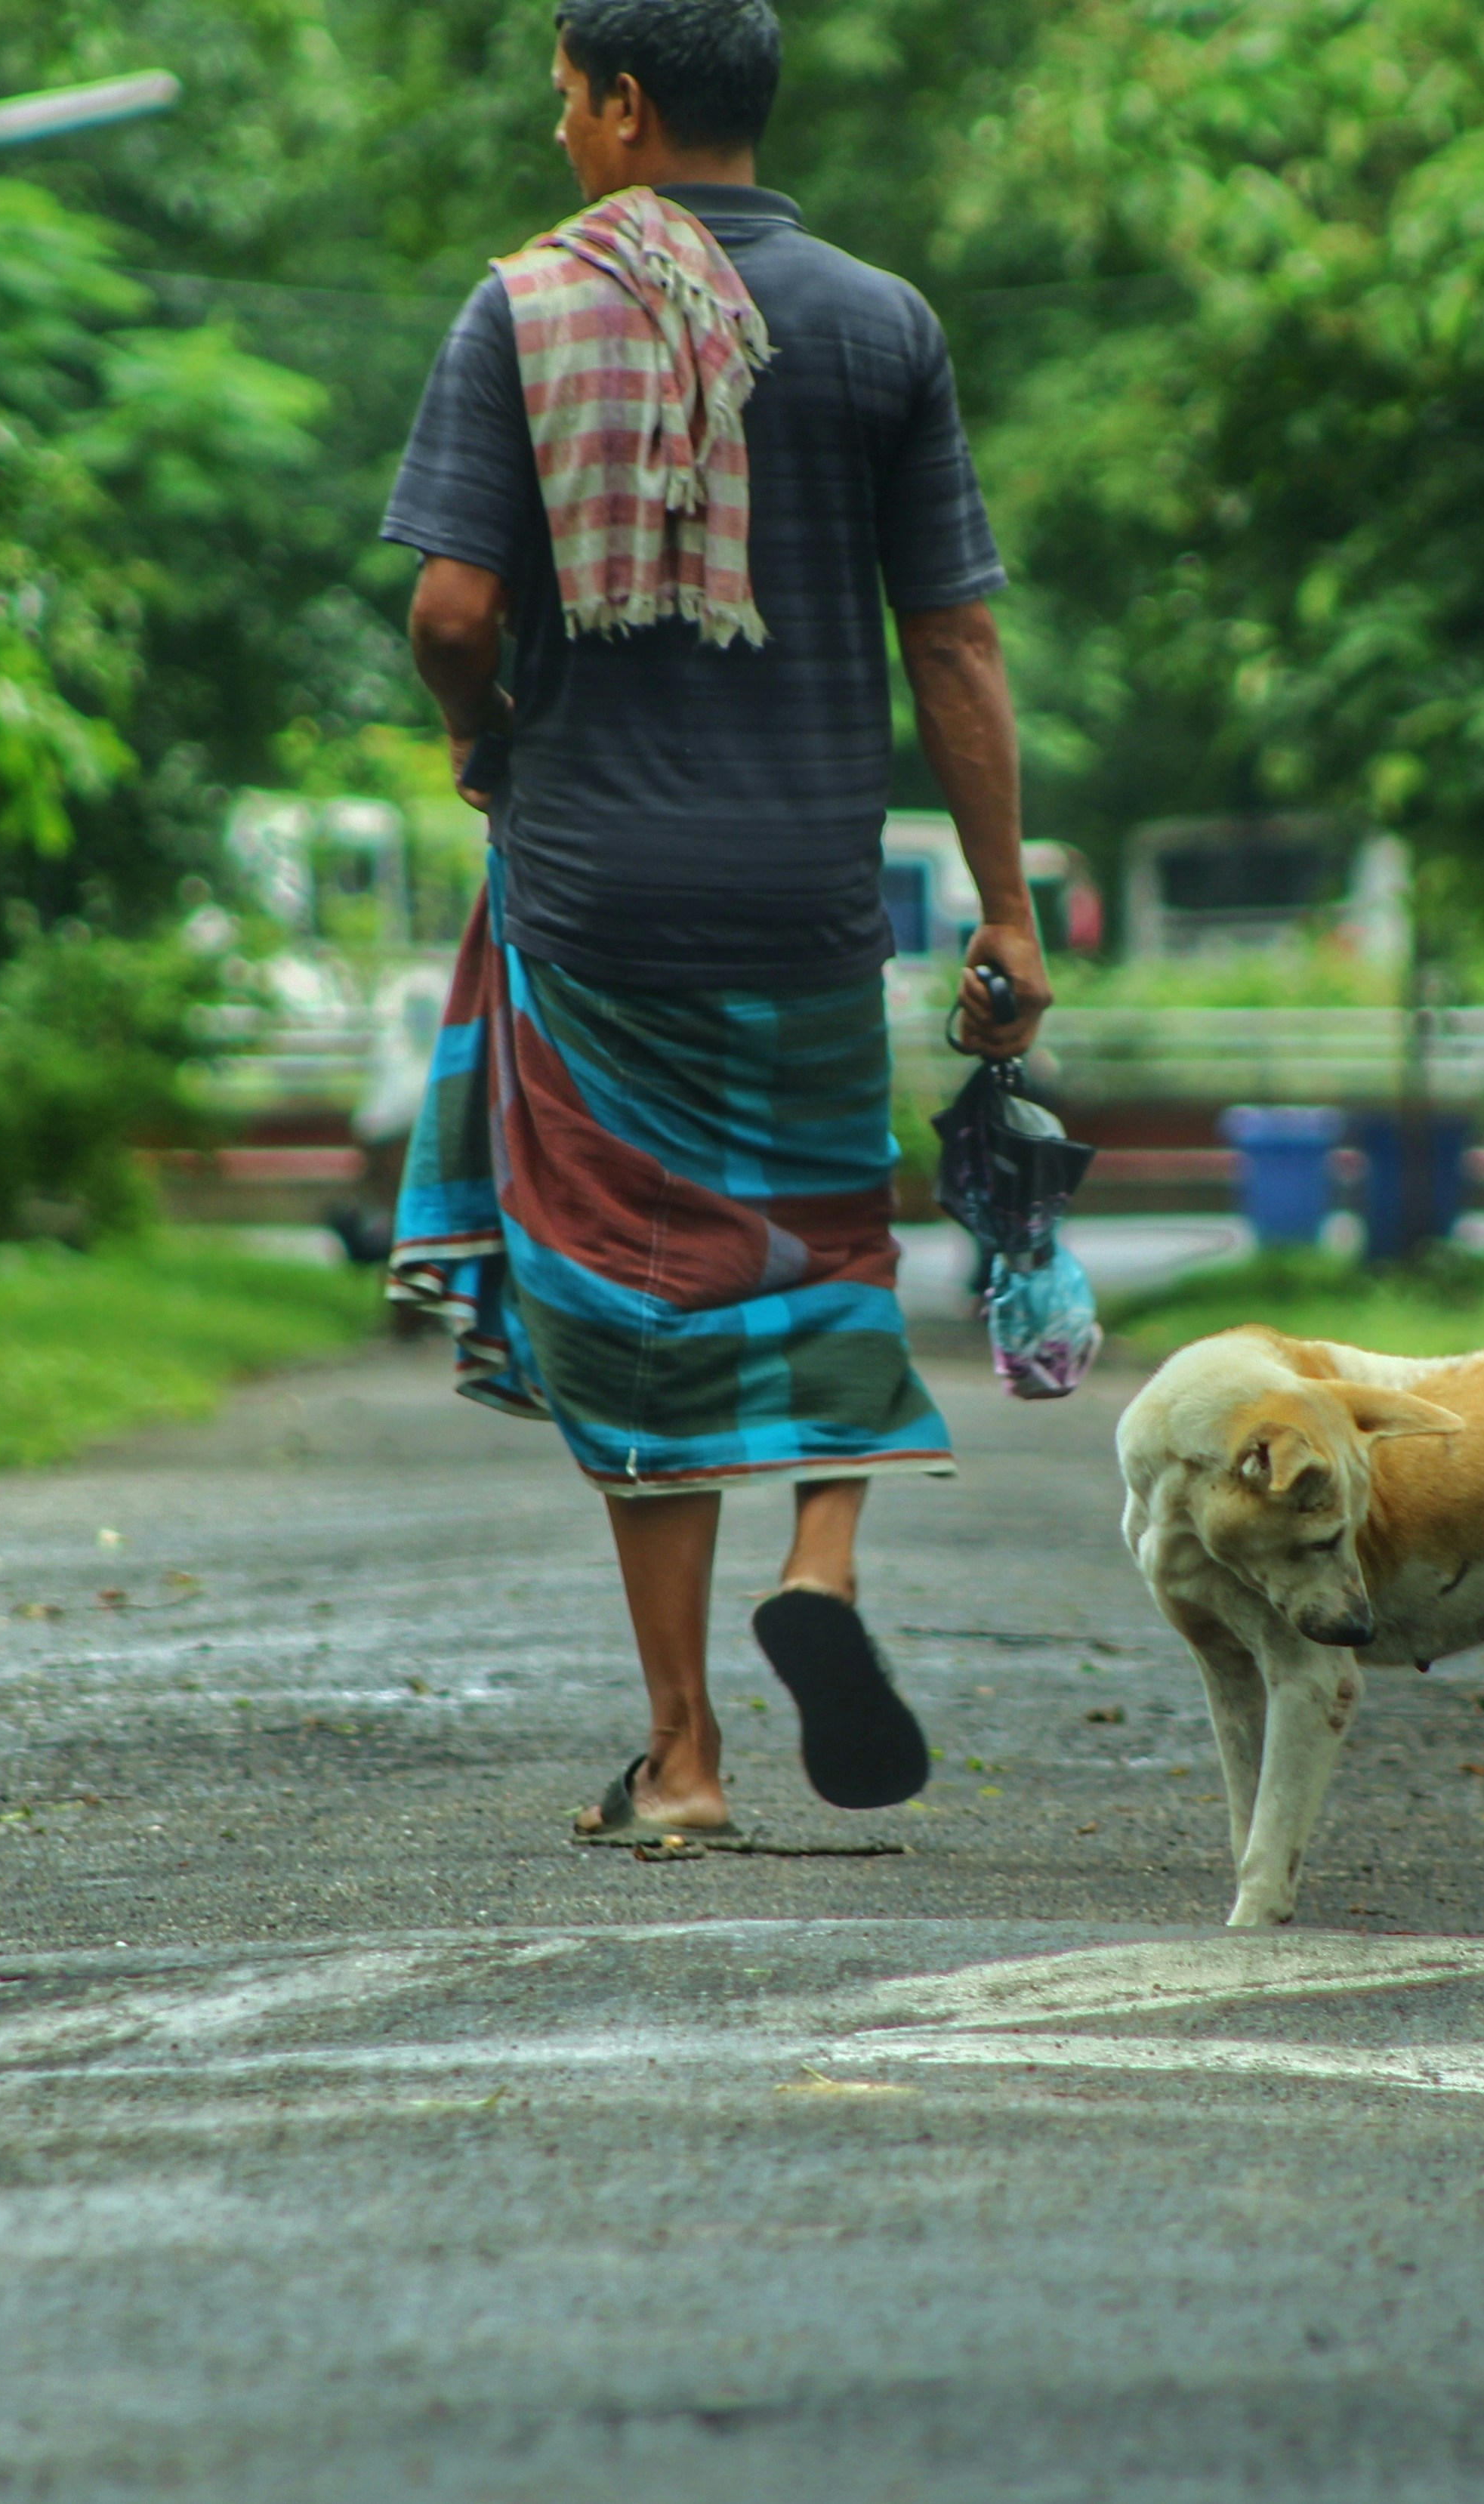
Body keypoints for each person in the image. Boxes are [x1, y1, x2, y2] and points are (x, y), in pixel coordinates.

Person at [380, 0, 1051, 1840]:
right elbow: (957, 642)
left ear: (623, 104)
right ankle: (819, 1575)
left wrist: (482, 735)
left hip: (596, 898)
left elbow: (450, 611)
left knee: (628, 1293)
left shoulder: (524, 307)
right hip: (809, 894)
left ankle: (682, 1756)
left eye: (563, 107)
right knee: (824, 1247)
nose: (557, 143)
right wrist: (1003, 907)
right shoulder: (880, 321)